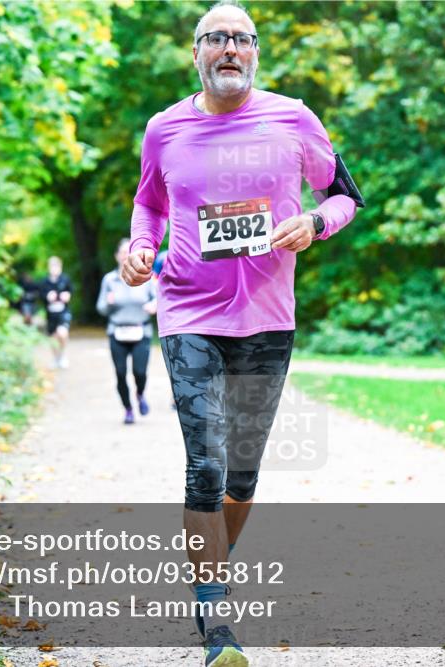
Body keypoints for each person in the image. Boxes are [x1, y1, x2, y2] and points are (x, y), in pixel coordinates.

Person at [121, 1, 359, 664]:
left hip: (267, 317)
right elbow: (148, 203)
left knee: (243, 474)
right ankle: (215, 617)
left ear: (255, 51)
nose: (230, 48)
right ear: (195, 53)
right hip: (188, 311)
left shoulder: (294, 118)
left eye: (242, 38)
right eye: (216, 38)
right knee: (206, 462)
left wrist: (316, 223)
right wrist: (141, 246)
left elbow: (345, 195)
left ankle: (210, 570)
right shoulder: (164, 129)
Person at [97, 238, 158, 425]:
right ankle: (128, 409)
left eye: (128, 252)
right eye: (122, 252)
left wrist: (153, 305)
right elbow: (101, 308)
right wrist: (108, 303)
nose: (125, 256)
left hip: (141, 331)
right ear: (117, 256)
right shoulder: (110, 280)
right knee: (120, 373)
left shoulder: (146, 277)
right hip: (117, 332)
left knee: (140, 372)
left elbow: (158, 299)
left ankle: (140, 394)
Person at [40, 256, 72, 369]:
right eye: (52, 266)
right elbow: (41, 296)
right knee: (53, 337)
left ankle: (62, 356)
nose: (55, 268)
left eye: (57, 266)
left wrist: (67, 296)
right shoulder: (44, 282)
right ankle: (56, 358)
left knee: (62, 333)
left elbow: (70, 292)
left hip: (63, 312)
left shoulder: (65, 279)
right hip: (51, 313)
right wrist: (47, 297)